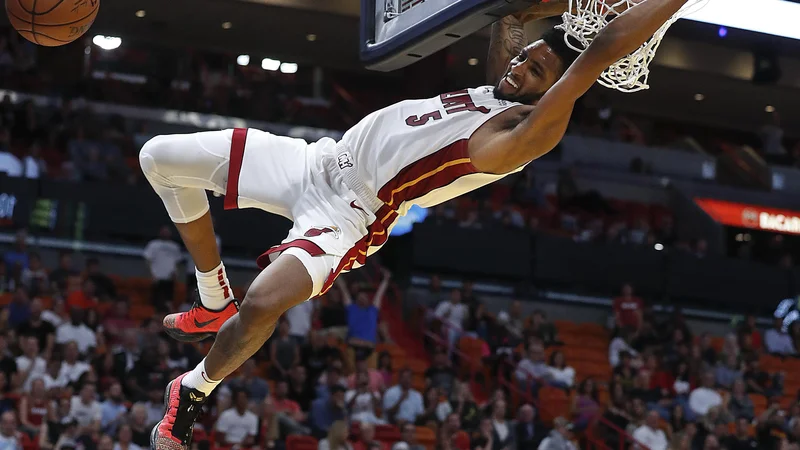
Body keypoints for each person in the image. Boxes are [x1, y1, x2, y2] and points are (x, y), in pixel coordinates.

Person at [147, 1, 699, 447]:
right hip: (315, 161)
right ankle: (212, 298)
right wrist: (548, 12)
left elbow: (598, 54)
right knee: (158, 158)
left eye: (533, 70)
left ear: (550, 94)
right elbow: (506, 21)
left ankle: (192, 392)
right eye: (523, 58)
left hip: (350, 215)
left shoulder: (524, 135)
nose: (517, 66)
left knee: (265, 302)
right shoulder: (496, 90)